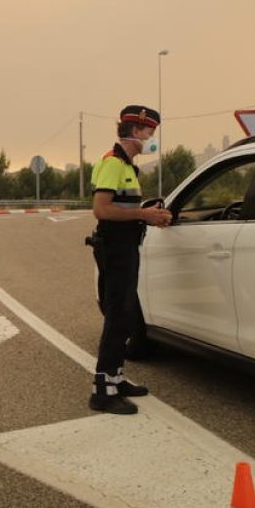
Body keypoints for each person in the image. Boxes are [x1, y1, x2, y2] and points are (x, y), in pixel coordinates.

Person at [86, 104, 173, 414]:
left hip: (125, 246)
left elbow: (124, 209)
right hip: (115, 247)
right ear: (136, 131)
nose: (152, 137)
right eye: (150, 132)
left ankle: (117, 378)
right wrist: (142, 214)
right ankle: (102, 391)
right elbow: (102, 210)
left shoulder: (127, 166)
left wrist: (149, 217)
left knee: (124, 314)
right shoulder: (112, 164)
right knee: (117, 315)